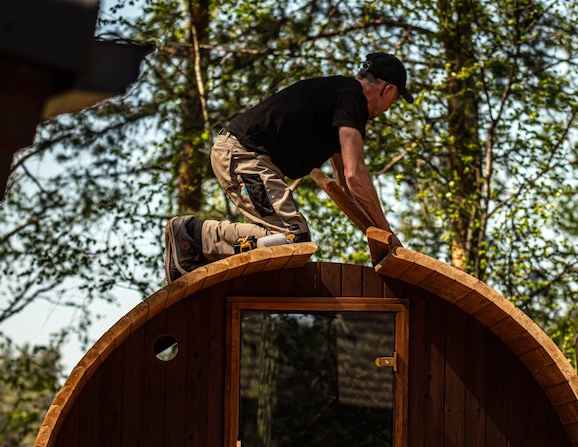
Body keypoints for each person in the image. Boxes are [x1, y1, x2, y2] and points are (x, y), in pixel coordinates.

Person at [163, 52, 413, 283]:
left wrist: (376, 238)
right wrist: (388, 234)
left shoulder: (340, 97)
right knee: (294, 239)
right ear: (388, 89)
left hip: (245, 156)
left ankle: (200, 254)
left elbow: (346, 184)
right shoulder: (352, 99)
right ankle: (191, 235)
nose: (390, 107)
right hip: (245, 155)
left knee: (285, 241)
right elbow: (354, 175)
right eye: (396, 97)